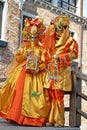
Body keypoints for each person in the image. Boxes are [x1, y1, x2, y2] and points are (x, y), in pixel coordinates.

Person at [0, 17, 52, 126]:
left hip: (37, 75)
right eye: (31, 36)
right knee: (18, 90)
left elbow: (47, 62)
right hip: (23, 72)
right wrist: (25, 55)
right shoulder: (24, 48)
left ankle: (32, 119)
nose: (33, 39)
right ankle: (15, 116)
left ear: (39, 36)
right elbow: (18, 58)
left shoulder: (42, 50)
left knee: (35, 95)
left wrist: (39, 68)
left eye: (35, 36)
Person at [42, 15, 78, 127]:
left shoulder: (70, 41)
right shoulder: (51, 40)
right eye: (56, 28)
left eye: (60, 28)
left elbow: (74, 54)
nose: (57, 31)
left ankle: (59, 120)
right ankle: (50, 119)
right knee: (51, 94)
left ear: (65, 28)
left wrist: (60, 57)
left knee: (58, 94)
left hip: (62, 71)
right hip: (52, 70)